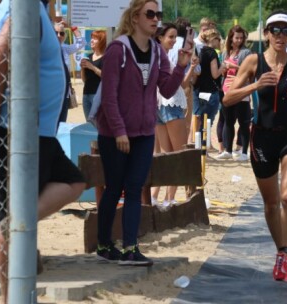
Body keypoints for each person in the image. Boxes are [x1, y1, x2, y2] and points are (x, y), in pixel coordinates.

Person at [0, 0, 86, 301]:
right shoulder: (21, 7)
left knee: (74, 181)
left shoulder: (35, 7)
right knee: (13, 222)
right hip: (18, 133)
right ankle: (10, 295)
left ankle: (17, 227)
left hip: (37, 132)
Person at [223, 10, 287, 282]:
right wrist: (256, 84)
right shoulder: (253, 61)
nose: (280, 36)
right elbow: (228, 98)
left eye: (286, 31)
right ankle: (281, 252)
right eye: (275, 31)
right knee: (270, 204)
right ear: (267, 34)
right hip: (261, 137)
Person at [94, 0, 189, 266]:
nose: (155, 19)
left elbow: (167, 90)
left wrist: (181, 66)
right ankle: (103, 243)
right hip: (115, 133)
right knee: (114, 189)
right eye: (150, 14)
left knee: (135, 188)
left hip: (144, 132)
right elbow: (110, 97)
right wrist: (119, 131)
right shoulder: (117, 50)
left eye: (158, 14)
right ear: (135, 17)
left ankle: (129, 248)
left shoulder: (158, 52)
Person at [151, 23, 199, 207]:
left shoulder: (158, 54)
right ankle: (169, 198)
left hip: (161, 105)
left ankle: (158, 196)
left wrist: (190, 67)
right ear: (159, 38)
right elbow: (174, 86)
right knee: (179, 155)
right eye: (170, 37)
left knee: (166, 154)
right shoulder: (160, 55)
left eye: (174, 37)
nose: (173, 41)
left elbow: (181, 84)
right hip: (169, 104)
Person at [217, 25, 251, 161]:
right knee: (228, 121)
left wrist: (234, 66)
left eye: (241, 38)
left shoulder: (246, 52)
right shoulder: (226, 53)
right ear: (231, 38)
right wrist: (223, 70)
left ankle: (243, 152)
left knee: (243, 122)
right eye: (236, 37)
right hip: (227, 89)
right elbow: (221, 72)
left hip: (241, 90)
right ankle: (228, 150)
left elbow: (248, 70)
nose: (239, 40)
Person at [192, 28, 225, 133]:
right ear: (213, 39)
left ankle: (200, 145)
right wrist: (223, 67)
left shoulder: (201, 51)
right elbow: (215, 74)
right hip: (211, 91)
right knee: (207, 124)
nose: (219, 42)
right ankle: (204, 147)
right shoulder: (212, 53)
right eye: (218, 39)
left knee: (202, 122)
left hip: (201, 91)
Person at [54, 21, 86, 124]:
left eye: (62, 33)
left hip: (64, 93)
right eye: (56, 33)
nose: (59, 36)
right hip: (51, 92)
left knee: (62, 122)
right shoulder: (44, 47)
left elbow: (81, 43)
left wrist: (73, 27)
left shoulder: (65, 49)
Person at [81, 30, 106, 120]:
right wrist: (82, 68)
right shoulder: (88, 57)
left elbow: (107, 77)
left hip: (98, 95)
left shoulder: (106, 57)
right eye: (92, 38)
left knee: (97, 123)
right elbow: (84, 80)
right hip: (86, 94)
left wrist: (92, 67)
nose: (91, 40)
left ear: (102, 41)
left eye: (95, 39)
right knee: (88, 124)